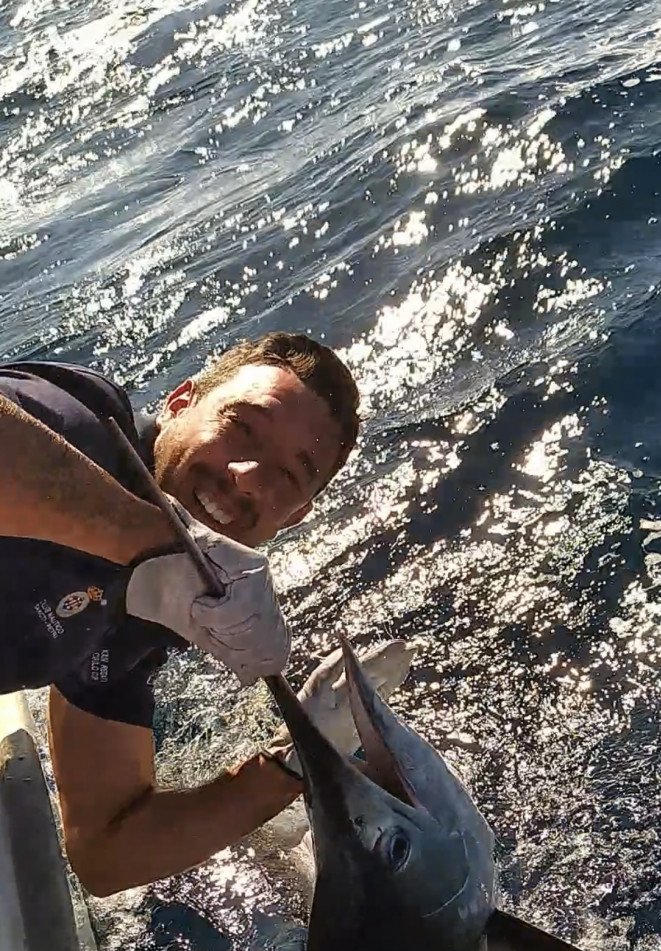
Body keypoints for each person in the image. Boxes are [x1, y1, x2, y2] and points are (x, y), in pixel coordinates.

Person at [0, 332, 413, 896]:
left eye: (289, 476)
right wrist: (154, 544)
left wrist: (298, 759)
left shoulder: (142, 619)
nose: (248, 477)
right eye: (241, 427)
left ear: (294, 516)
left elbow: (104, 852)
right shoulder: (79, 428)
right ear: (179, 403)